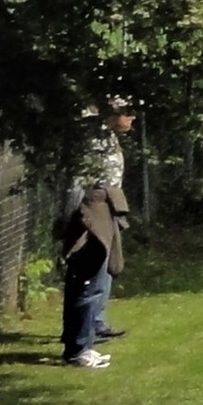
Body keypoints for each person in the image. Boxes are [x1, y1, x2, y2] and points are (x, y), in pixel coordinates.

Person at [55, 100, 131, 369]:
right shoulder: (92, 138)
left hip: (104, 209)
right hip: (92, 212)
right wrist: (69, 218)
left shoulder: (104, 135)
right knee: (89, 279)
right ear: (114, 111)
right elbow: (77, 181)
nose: (132, 118)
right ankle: (78, 348)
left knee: (98, 277)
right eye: (128, 112)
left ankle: (83, 341)